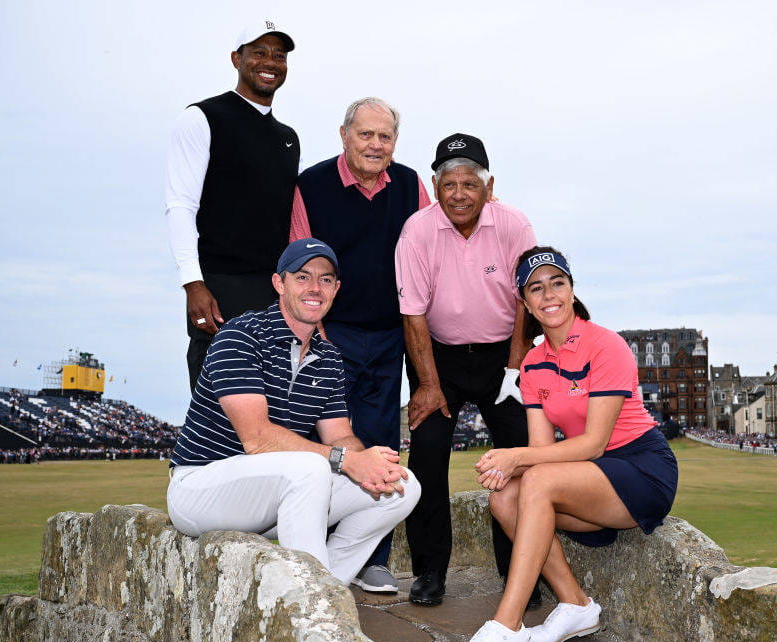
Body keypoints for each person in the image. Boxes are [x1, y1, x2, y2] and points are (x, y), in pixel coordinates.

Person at [442, 246, 679, 642]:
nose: (548, 294)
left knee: (535, 481)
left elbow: (593, 444)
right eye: (536, 288)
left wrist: (516, 458)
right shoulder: (532, 364)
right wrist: (508, 468)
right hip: (588, 474)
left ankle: (506, 627)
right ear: (524, 302)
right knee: (505, 499)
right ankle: (575, 604)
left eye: (558, 283)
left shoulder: (606, 345)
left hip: (641, 468)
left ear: (571, 290)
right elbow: (541, 451)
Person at [166, 239, 420, 584]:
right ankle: (313, 601)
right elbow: (257, 439)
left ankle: (326, 586)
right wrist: (347, 461)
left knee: (403, 486)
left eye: (326, 279)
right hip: (200, 489)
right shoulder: (240, 335)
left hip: (274, 494)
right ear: (279, 283)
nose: (315, 288)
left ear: (336, 289)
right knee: (311, 467)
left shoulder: (328, 357)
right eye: (302, 277)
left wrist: (368, 463)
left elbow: (341, 436)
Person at [290, 97, 431, 594]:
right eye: (366, 134)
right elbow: (296, 261)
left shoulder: (411, 184)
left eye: (385, 137)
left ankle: (374, 559)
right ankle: (310, 551)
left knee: (380, 443)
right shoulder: (311, 184)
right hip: (332, 332)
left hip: (390, 334)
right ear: (344, 135)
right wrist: (315, 332)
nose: (375, 145)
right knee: (324, 440)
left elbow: (433, 241)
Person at [395, 134, 536, 606]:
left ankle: (521, 572)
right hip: (438, 357)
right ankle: (430, 571)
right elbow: (412, 313)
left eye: (469, 183)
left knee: (519, 457)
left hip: (503, 353)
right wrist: (429, 385)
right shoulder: (416, 231)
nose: (458, 193)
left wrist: (515, 370)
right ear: (435, 187)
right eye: (448, 183)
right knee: (428, 456)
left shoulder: (514, 223)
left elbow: (526, 302)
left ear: (488, 187)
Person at [166, 19, 300, 389]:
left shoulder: (288, 138)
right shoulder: (202, 118)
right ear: (236, 59)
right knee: (218, 409)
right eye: (259, 52)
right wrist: (193, 283)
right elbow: (181, 206)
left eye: (279, 55)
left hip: (273, 292)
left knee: (271, 412)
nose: (270, 62)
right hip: (218, 288)